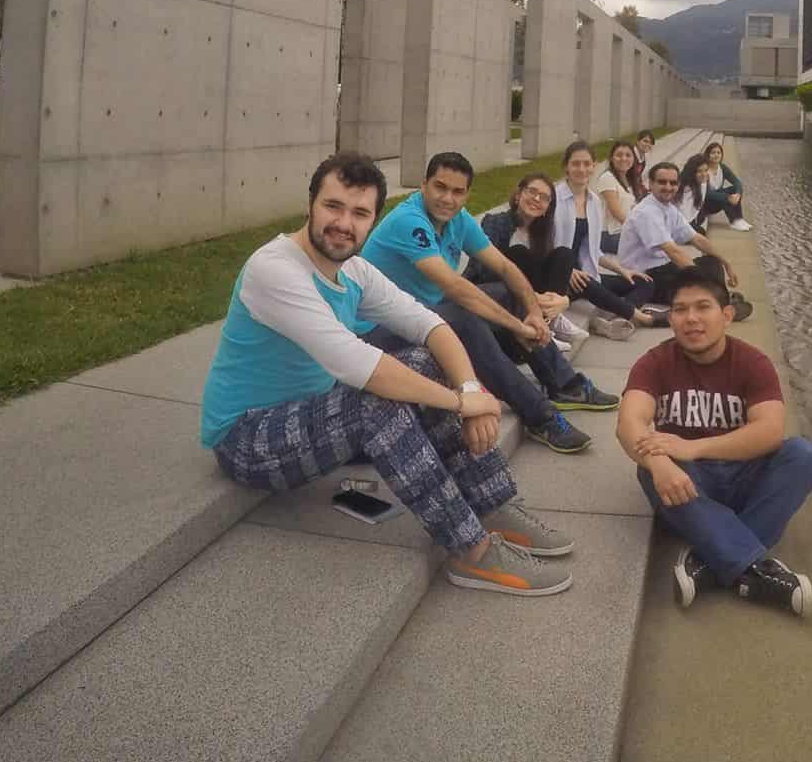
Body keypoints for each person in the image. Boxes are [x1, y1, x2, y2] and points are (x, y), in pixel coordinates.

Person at [200, 152, 572, 597]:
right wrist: (461, 402)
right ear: (310, 205)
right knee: (376, 399)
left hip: (310, 413)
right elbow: (357, 365)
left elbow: (430, 324)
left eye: (359, 213)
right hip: (247, 438)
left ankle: (492, 503)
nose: (344, 223)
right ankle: (471, 552)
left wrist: (471, 389)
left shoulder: (353, 269)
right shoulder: (274, 269)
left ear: (374, 219)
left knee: (425, 360)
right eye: (333, 207)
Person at [362, 151, 617, 456]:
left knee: (508, 292)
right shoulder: (409, 220)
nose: (447, 198)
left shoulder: (459, 219)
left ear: (467, 194)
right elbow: (456, 287)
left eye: (457, 192)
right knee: (461, 318)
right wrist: (515, 326)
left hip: (419, 311)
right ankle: (541, 417)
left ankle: (565, 384)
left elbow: (507, 268)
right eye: (440, 187)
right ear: (423, 185)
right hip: (375, 330)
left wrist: (534, 313)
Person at [617, 257, 812, 617]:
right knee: (649, 469)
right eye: (680, 309)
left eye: (702, 307)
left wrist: (693, 446)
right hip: (688, 485)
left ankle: (711, 560)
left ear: (726, 315)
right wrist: (659, 462)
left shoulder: (752, 363)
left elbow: (770, 432)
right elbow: (629, 423)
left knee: (803, 455)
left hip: (744, 475)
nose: (691, 318)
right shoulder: (655, 362)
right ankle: (754, 568)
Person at [471, 171, 628, 345]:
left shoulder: (541, 232)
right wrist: (534, 296)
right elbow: (483, 269)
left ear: (548, 208)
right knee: (519, 253)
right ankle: (544, 322)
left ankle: (549, 321)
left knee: (564, 254)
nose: (537, 199)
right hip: (495, 288)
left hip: (531, 295)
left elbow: (543, 273)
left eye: (545, 197)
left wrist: (561, 301)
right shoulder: (495, 222)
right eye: (532, 192)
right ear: (518, 195)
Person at [617, 160, 747, 325]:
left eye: (673, 183)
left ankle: (719, 300)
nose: (668, 187)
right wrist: (701, 278)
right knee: (694, 278)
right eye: (662, 182)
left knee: (711, 261)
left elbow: (696, 238)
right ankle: (720, 304)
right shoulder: (646, 212)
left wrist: (726, 263)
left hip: (662, 267)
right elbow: (673, 251)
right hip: (644, 276)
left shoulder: (668, 208)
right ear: (650, 184)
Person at [548, 141, 646, 329]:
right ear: (566, 167)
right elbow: (543, 244)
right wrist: (570, 271)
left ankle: (612, 318)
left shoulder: (593, 201)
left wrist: (622, 270)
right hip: (560, 275)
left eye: (587, 164)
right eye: (576, 164)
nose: (582, 169)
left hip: (587, 273)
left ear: (594, 166)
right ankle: (641, 318)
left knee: (641, 281)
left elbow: (593, 251)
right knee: (589, 284)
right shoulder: (554, 198)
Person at [688, 140, 752, 233]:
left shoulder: (722, 167)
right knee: (724, 195)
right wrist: (727, 197)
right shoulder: (704, 170)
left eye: (718, 152)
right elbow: (706, 193)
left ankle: (739, 219)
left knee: (734, 189)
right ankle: (734, 221)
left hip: (717, 201)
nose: (716, 155)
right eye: (713, 153)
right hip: (706, 204)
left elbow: (737, 182)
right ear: (708, 155)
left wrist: (737, 194)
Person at [597, 140, 643, 255]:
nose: (624, 158)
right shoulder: (607, 178)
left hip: (624, 231)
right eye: (619, 155)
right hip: (608, 234)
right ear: (612, 158)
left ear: (633, 159)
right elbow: (617, 213)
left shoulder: (629, 179)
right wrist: (638, 230)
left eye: (628, 155)